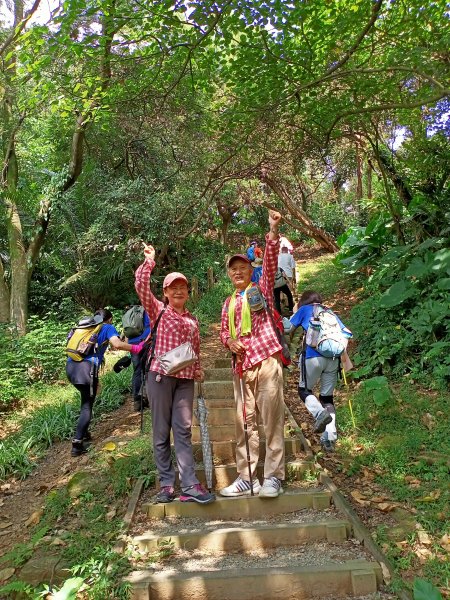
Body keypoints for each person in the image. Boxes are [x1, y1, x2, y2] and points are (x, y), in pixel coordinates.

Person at [135, 244, 215, 505]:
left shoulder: (193, 319)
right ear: (166, 292)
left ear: (187, 292)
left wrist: (199, 368)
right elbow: (140, 287)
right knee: (161, 431)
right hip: (160, 376)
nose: (179, 290)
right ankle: (167, 484)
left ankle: (190, 484)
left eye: (183, 287)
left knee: (182, 430)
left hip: (185, 379)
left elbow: (196, 348)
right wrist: (149, 262)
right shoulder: (158, 310)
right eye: (173, 287)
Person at [220, 209, 285, 498]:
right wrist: (229, 343)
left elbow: (270, 265)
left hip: (266, 360)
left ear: (250, 270)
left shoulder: (262, 290)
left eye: (242, 267)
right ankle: (246, 477)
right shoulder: (228, 303)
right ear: (229, 274)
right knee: (244, 424)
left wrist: (272, 232)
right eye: (233, 269)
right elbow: (224, 332)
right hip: (240, 366)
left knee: (271, 420)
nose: (237, 272)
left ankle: (272, 477)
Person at [66, 309, 144, 457]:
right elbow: (117, 344)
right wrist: (137, 348)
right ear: (109, 319)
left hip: (71, 368)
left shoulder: (84, 328)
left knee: (85, 399)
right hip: (86, 370)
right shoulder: (107, 327)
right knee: (87, 405)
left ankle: (84, 432)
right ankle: (77, 444)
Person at [289, 290, 351, 452]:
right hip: (333, 359)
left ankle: (318, 414)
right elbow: (345, 333)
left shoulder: (304, 310)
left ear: (304, 301)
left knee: (304, 390)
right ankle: (330, 437)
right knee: (327, 397)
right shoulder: (329, 312)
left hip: (312, 357)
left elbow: (288, 328)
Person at [126, 307, 151, 412]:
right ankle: (147, 397)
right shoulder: (149, 311)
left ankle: (137, 400)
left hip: (132, 344)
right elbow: (151, 327)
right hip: (145, 342)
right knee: (148, 369)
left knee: (137, 370)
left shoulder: (130, 313)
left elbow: (126, 331)